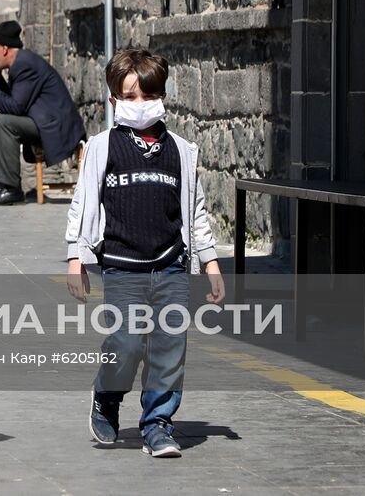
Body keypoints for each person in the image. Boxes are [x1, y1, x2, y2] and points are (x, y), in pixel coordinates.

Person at [66, 48, 224, 458]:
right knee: (128, 342)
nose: (140, 105)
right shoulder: (103, 147)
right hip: (122, 267)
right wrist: (75, 258)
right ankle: (107, 394)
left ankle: (158, 423)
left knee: (169, 347)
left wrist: (210, 262)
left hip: (170, 264)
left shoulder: (180, 152)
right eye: (130, 97)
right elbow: (83, 204)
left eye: (148, 96)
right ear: (114, 100)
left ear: (163, 96)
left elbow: (196, 210)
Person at [0, 19, 86, 205]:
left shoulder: (24, 64)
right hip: (41, 121)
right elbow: (12, 104)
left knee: (3, 122)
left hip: (56, 128)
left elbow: (16, 108)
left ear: (5, 49)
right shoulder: (19, 63)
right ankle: (1, 184)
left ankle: (11, 188)